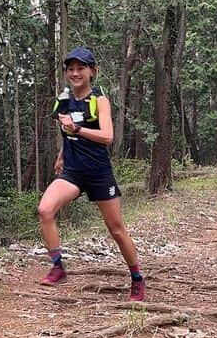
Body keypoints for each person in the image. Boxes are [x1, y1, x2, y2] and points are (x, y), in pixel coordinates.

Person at [36, 47, 145, 301]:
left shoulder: (99, 100)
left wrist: (78, 129)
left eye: (80, 68)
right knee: (45, 210)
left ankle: (137, 278)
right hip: (73, 172)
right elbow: (66, 131)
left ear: (92, 71)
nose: (75, 73)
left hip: (98, 173)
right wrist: (62, 154)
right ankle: (58, 267)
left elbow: (107, 136)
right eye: (70, 69)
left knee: (116, 229)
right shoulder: (62, 101)